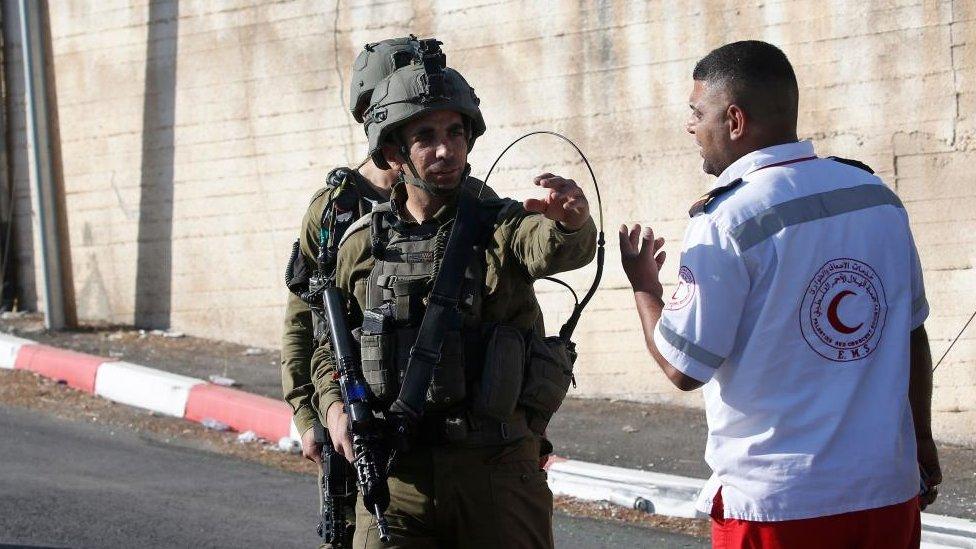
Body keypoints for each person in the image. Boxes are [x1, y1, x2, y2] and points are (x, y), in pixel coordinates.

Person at [619, 40, 940, 548]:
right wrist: (921, 442)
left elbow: (683, 368)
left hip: (776, 506)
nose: (690, 127)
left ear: (735, 120)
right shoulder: (876, 197)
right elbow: (911, 334)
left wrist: (643, 287)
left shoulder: (725, 220)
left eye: (696, 113)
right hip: (885, 493)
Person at [311, 58, 596, 548]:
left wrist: (570, 221)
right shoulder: (360, 246)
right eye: (425, 137)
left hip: (496, 472)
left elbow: (554, 247)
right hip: (397, 481)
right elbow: (329, 349)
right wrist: (334, 409)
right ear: (393, 152)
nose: (446, 150)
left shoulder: (500, 225)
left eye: (456, 133)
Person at [279, 37, 497, 547]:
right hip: (357, 415)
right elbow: (303, 320)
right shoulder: (336, 211)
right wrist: (310, 413)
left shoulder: (459, 196)